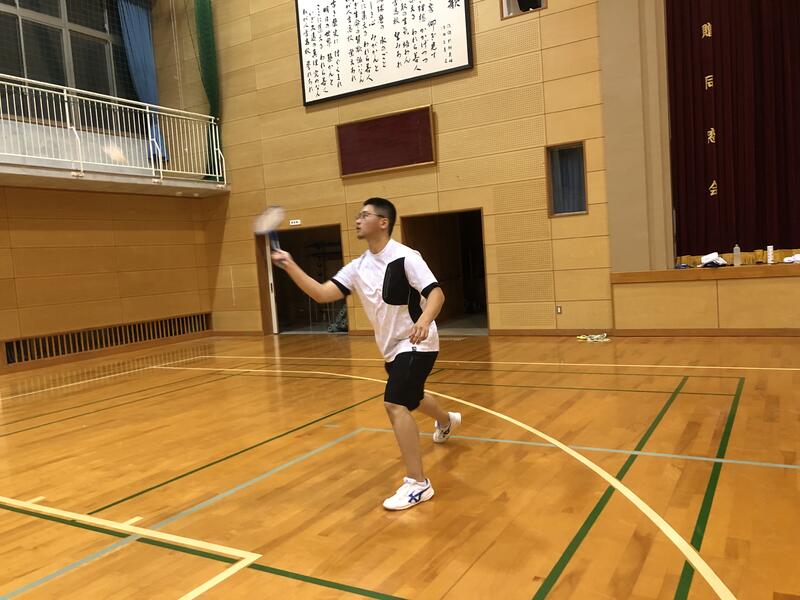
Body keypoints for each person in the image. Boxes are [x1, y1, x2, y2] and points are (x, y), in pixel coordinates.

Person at [271, 197, 461, 510]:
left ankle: (418, 484)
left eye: (364, 215)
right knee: (412, 397)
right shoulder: (358, 267)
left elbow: (436, 294)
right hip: (391, 347)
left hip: (418, 341)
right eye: (358, 216)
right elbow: (322, 293)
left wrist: (425, 321)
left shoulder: (405, 257)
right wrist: (290, 264)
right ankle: (446, 420)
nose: (358, 220)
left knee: (395, 403)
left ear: (383, 223)